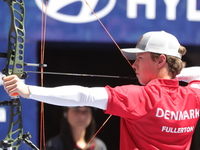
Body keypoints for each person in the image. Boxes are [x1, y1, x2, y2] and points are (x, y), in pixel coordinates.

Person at [3, 31, 200, 150]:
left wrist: (27, 90)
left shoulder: (142, 97)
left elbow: (84, 95)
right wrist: (174, 76)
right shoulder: (193, 96)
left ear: (161, 60)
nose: (134, 64)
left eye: (140, 58)